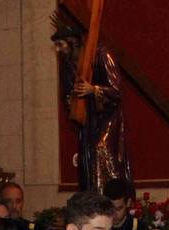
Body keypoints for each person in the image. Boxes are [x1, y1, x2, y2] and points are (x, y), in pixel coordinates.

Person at [52, 21, 132, 193]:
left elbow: (116, 91)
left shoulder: (101, 55)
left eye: (60, 45)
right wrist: (70, 101)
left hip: (107, 119)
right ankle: (92, 199)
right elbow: (67, 94)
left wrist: (94, 90)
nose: (58, 50)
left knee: (101, 151)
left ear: (73, 42)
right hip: (86, 124)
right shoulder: (67, 65)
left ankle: (110, 199)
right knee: (87, 161)